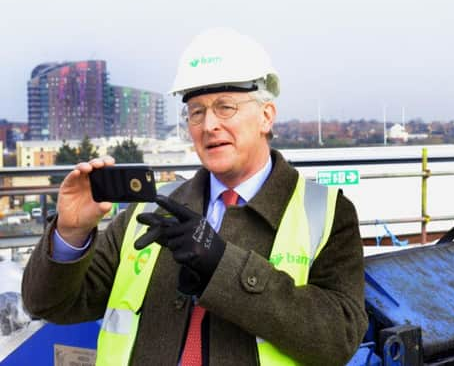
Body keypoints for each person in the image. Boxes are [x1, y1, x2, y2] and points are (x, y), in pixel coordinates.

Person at [22, 27, 368, 365]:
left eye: (225, 107)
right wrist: (70, 233)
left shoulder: (326, 213)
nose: (209, 125)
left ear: (266, 116)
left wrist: (221, 263)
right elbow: (50, 305)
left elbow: (338, 338)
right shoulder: (149, 209)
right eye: (197, 112)